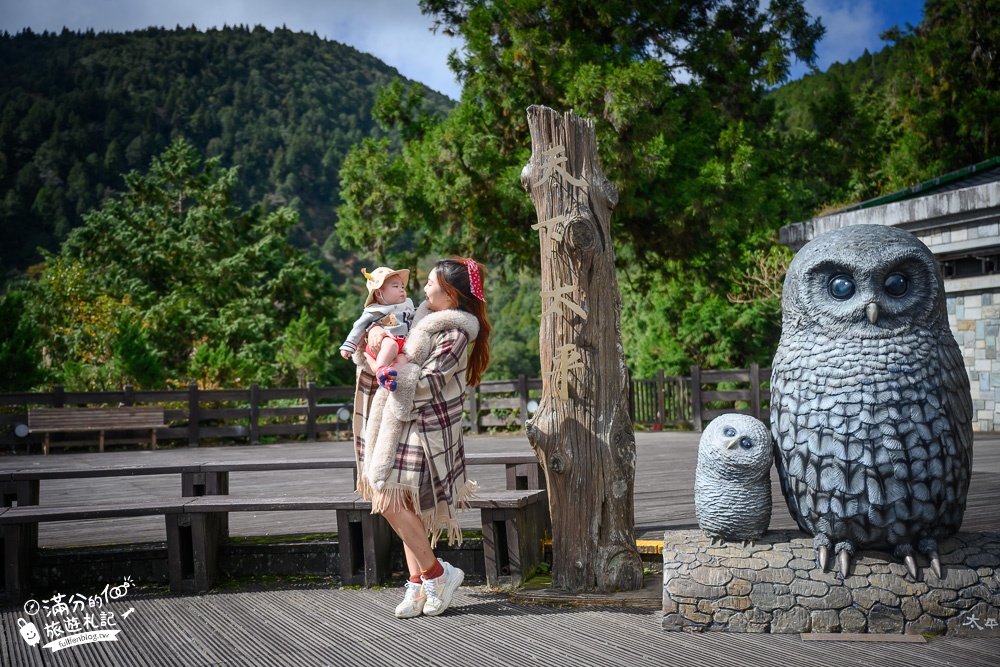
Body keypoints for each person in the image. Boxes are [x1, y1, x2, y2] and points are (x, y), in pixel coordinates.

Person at [351, 257, 491, 618]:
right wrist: (374, 351)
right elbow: (387, 344)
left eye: (431, 283)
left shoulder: (456, 331)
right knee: (403, 505)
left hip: (427, 425)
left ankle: (437, 574)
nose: (424, 288)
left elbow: (429, 381)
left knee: (389, 500)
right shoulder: (421, 318)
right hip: (404, 419)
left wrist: (392, 371)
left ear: (450, 294)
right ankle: (419, 584)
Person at [340, 266, 415, 387]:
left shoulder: (407, 306)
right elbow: (359, 326)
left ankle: (389, 377)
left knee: (404, 360)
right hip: (382, 344)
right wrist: (349, 345)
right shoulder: (375, 310)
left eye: (402, 287)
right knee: (391, 344)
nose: (401, 290)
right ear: (378, 293)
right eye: (395, 286)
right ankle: (381, 369)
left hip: (401, 345)